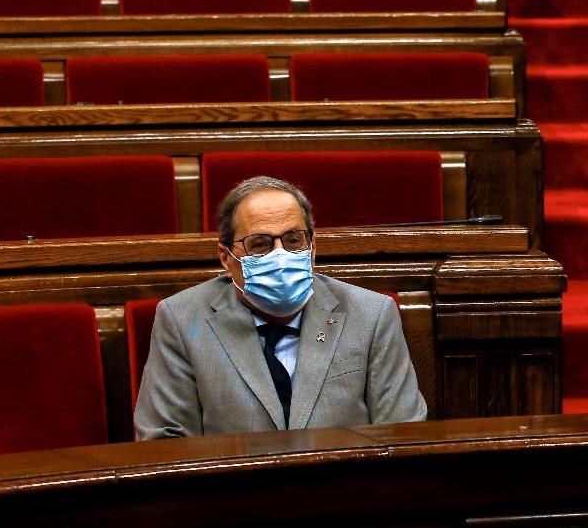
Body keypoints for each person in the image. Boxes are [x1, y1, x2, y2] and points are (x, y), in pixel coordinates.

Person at [134, 176, 426, 439]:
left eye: (293, 240)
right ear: (225, 258)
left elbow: (403, 433)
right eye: (259, 244)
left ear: (313, 248)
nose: (281, 255)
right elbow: (164, 442)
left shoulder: (372, 314)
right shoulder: (182, 319)